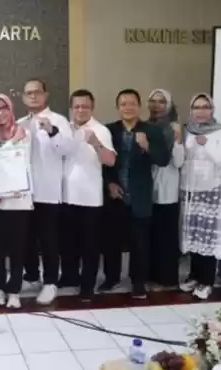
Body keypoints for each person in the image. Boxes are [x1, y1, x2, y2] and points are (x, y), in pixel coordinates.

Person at [104, 89, 170, 299]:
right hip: (115, 194)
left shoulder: (151, 130)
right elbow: (102, 163)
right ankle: (111, 278)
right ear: (118, 107)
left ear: (139, 106)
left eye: (132, 103)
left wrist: (147, 146)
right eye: (123, 104)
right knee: (112, 240)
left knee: (140, 242)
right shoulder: (109, 130)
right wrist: (109, 184)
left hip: (140, 194)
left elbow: (163, 160)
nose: (128, 107)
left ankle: (138, 282)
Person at [179, 93, 221, 300]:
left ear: (211, 110)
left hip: (210, 190)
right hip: (190, 190)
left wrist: (208, 145)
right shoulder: (187, 130)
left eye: (205, 107)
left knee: (207, 237)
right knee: (194, 235)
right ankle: (194, 275)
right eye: (196, 107)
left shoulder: (219, 132)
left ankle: (207, 281)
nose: (201, 111)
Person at [18, 78, 71, 305]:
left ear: (46, 95)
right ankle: (31, 276)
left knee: (48, 240)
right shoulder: (19, 123)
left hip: (48, 191)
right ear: (23, 97)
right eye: (28, 93)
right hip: (23, 192)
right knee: (25, 238)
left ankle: (50, 282)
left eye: (37, 92)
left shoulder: (58, 120)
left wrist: (51, 130)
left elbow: (66, 149)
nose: (33, 96)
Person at [61, 89, 115, 301]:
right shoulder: (65, 129)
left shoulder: (100, 130)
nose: (81, 110)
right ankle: (70, 277)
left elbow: (110, 160)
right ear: (71, 108)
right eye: (77, 106)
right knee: (68, 243)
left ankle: (87, 285)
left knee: (89, 246)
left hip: (90, 199)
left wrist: (96, 143)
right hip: (65, 196)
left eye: (85, 106)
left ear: (92, 108)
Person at [0, 94, 31, 310]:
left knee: (16, 249)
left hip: (18, 201)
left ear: (11, 109)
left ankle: (14, 290)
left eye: (4, 107)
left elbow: (18, 162)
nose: (0, 112)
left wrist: (11, 144)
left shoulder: (24, 133)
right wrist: (12, 144)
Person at [146, 89, 184, 289]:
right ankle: (151, 275)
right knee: (151, 235)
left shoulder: (174, 127)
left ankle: (167, 278)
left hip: (168, 189)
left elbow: (178, 162)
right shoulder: (146, 126)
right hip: (148, 188)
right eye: (153, 101)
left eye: (161, 101)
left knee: (166, 236)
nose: (157, 105)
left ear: (169, 105)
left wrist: (177, 142)